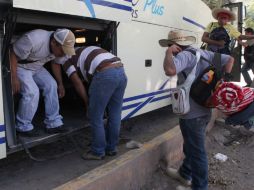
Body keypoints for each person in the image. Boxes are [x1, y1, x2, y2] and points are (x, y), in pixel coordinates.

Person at [159, 30, 234, 190]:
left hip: (191, 114)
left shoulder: (183, 55)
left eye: (169, 45)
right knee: (191, 146)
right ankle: (185, 174)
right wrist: (223, 82)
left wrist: (168, 53)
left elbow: (170, 70)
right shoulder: (203, 52)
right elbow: (230, 59)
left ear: (175, 45)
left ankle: (200, 187)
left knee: (197, 152)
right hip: (206, 110)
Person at [55, 46, 127, 160]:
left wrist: (87, 102)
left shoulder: (65, 60)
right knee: (115, 114)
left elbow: (77, 82)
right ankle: (111, 148)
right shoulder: (82, 49)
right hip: (120, 71)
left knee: (95, 116)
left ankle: (97, 151)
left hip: (105, 74)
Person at [10, 28, 76, 137]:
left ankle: (53, 123)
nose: (64, 54)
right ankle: (23, 126)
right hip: (20, 66)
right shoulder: (34, 39)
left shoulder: (60, 50)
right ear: (54, 42)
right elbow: (12, 54)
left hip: (37, 67)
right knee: (32, 92)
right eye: (62, 50)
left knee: (51, 85)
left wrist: (60, 84)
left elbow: (55, 63)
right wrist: (14, 77)